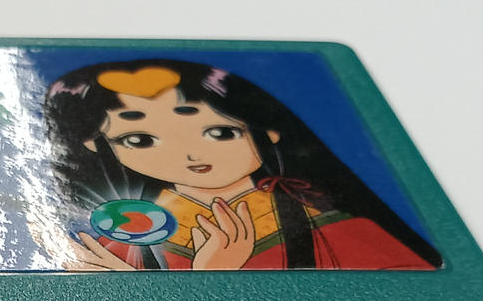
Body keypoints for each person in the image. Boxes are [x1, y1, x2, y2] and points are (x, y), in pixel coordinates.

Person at [41, 59, 439, 271]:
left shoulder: (341, 232)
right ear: (98, 146)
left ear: (269, 131)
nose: (189, 154)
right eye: (139, 140)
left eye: (219, 132)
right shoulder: (119, 243)